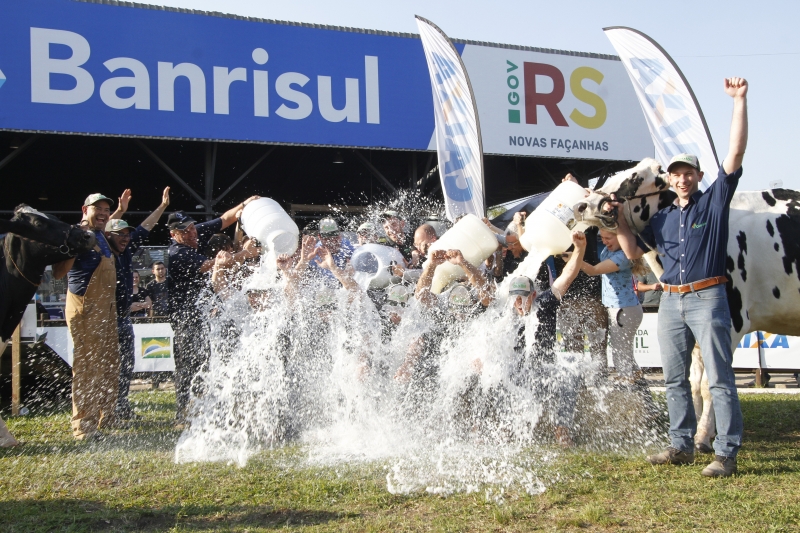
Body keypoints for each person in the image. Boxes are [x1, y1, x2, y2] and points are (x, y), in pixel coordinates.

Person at [608, 77, 748, 477]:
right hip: (670, 300)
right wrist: (617, 216)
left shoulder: (715, 203)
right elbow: (633, 251)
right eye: (676, 173)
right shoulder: (663, 218)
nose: (682, 178)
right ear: (669, 179)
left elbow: (735, 152)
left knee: (720, 379)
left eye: (689, 172)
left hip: (708, 299)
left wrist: (739, 101)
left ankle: (726, 453)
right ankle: (681, 445)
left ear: (699, 176)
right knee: (674, 378)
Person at [168, 197, 261, 424]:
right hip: (186, 319)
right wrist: (246, 255)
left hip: (204, 315)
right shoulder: (178, 253)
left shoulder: (193, 233)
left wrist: (245, 204)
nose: (192, 233)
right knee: (190, 364)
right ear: (173, 234)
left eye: (192, 228)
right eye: (185, 231)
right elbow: (213, 265)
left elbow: (224, 220)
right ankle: (186, 413)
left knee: (207, 361)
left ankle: (203, 408)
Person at [506, 230, 587, 447]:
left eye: (523, 298)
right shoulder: (504, 315)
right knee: (495, 371)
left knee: (571, 371)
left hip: (544, 367)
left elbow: (566, 278)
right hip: (518, 370)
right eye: (515, 299)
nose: (519, 304)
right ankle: (506, 427)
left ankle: (561, 427)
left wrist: (579, 249)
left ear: (533, 295)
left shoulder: (545, 304)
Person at [52, 193, 119, 440]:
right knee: (88, 368)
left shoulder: (100, 233)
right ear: (84, 209)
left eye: (106, 210)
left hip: (106, 309)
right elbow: (58, 273)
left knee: (109, 364)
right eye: (97, 208)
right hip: (86, 308)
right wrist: (75, 247)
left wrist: (120, 211)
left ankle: (105, 417)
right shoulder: (75, 235)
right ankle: (84, 427)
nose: (103, 213)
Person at [105, 187, 170, 419]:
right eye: (120, 234)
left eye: (127, 234)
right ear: (108, 237)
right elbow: (97, 230)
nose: (125, 237)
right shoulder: (102, 250)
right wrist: (119, 211)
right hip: (106, 319)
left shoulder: (126, 250)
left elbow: (145, 227)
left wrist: (162, 207)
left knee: (126, 366)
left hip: (123, 319)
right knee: (107, 367)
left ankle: (121, 407)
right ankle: (105, 411)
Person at [580, 228, 647, 386]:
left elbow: (593, 270)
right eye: (602, 238)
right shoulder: (608, 250)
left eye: (608, 238)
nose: (604, 242)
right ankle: (634, 378)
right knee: (624, 351)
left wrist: (575, 259)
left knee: (620, 352)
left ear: (622, 237)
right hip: (619, 308)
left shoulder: (623, 256)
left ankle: (627, 382)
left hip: (624, 309)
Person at [302, 218, 356, 287]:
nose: (332, 241)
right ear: (320, 237)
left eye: (335, 237)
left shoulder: (347, 246)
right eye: (327, 238)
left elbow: (354, 286)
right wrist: (304, 261)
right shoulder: (314, 252)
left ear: (340, 234)